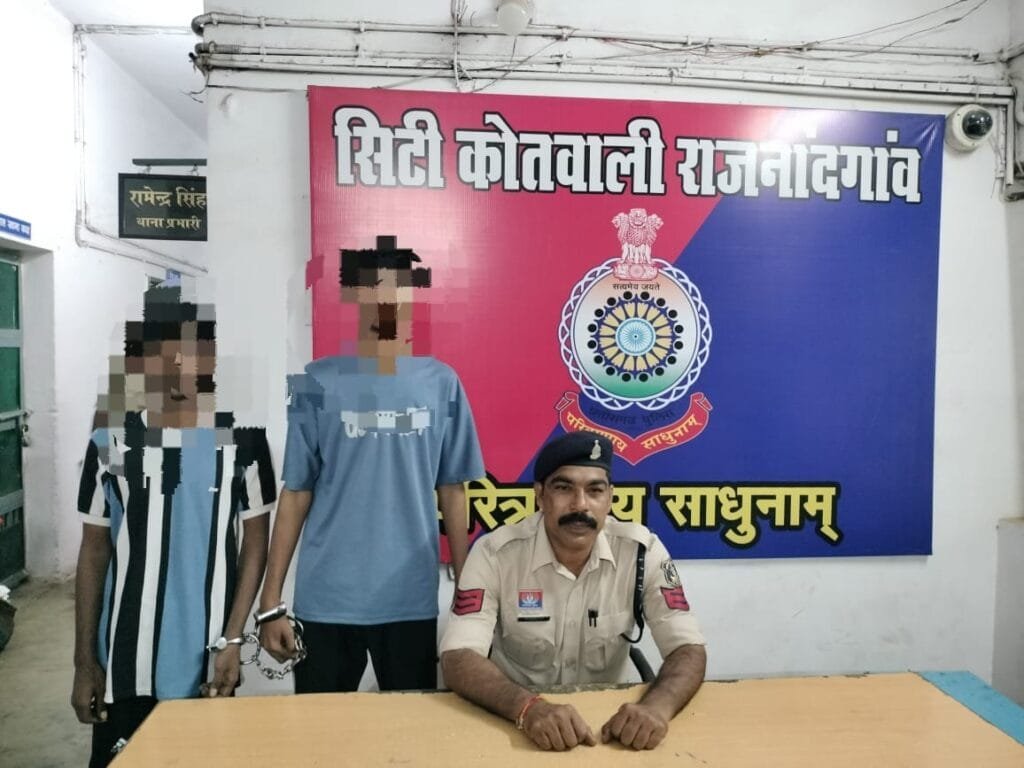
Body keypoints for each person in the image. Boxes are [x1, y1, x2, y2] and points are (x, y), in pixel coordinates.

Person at [259, 235, 485, 693]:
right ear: (354, 296)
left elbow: (452, 489)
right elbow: (296, 492)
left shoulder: (441, 383)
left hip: (408, 598)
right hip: (327, 598)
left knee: (409, 728)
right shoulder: (314, 382)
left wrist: (466, 585)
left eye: (398, 288)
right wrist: (271, 600)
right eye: (374, 288)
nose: (387, 300)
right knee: (322, 728)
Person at [71, 281, 276, 768]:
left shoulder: (242, 442)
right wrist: (84, 661)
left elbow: (255, 544)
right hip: (124, 660)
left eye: (194, 352)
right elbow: (94, 550)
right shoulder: (108, 441)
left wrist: (233, 639)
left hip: (208, 661)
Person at [439, 430, 706, 752]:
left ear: (609, 498)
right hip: (514, 721)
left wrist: (656, 708)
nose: (580, 505)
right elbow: (458, 657)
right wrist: (528, 708)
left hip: (609, 729)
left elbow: (688, 648)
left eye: (595, 490)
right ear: (540, 495)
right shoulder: (495, 554)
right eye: (564, 488)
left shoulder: (641, 552)